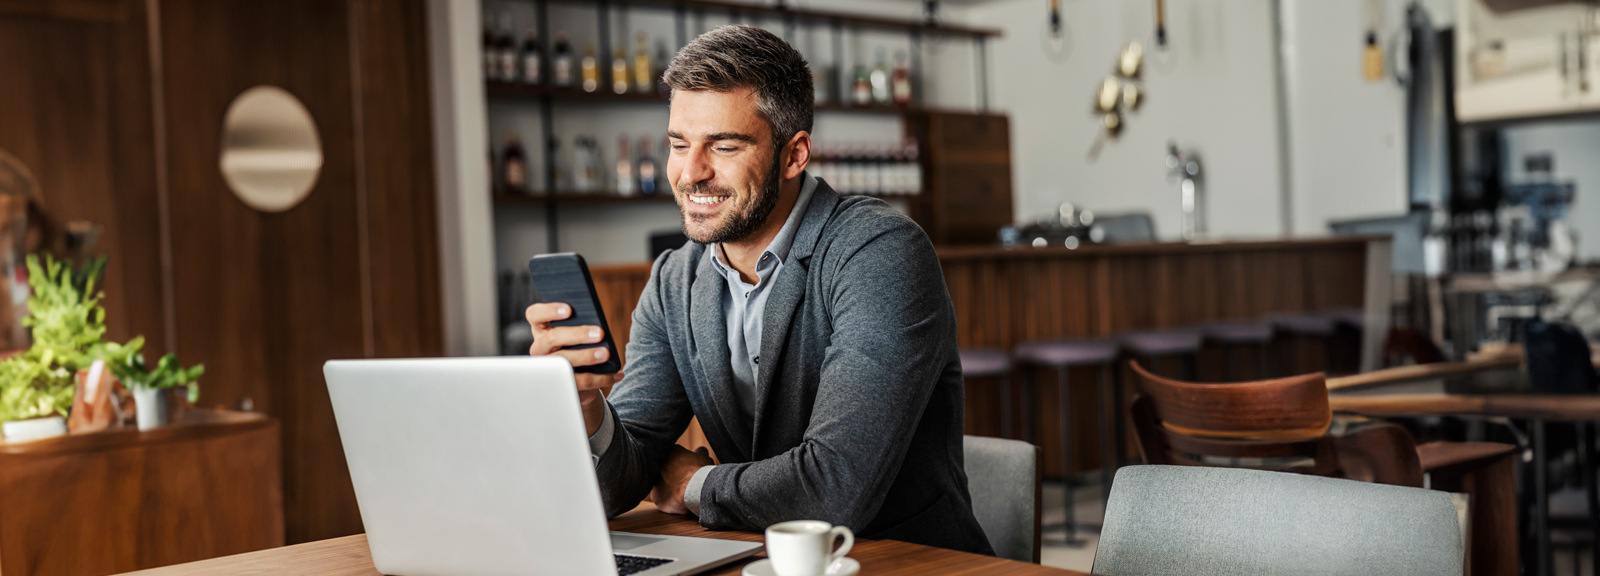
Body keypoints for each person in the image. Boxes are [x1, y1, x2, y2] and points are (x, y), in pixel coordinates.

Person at [526, 25, 992, 555]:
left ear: (794, 155)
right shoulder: (674, 279)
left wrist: (692, 484)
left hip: (907, 562)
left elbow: (835, 490)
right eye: (679, 144)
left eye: (723, 146)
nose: (691, 173)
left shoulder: (879, 252)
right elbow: (624, 474)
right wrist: (586, 405)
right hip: (756, 558)